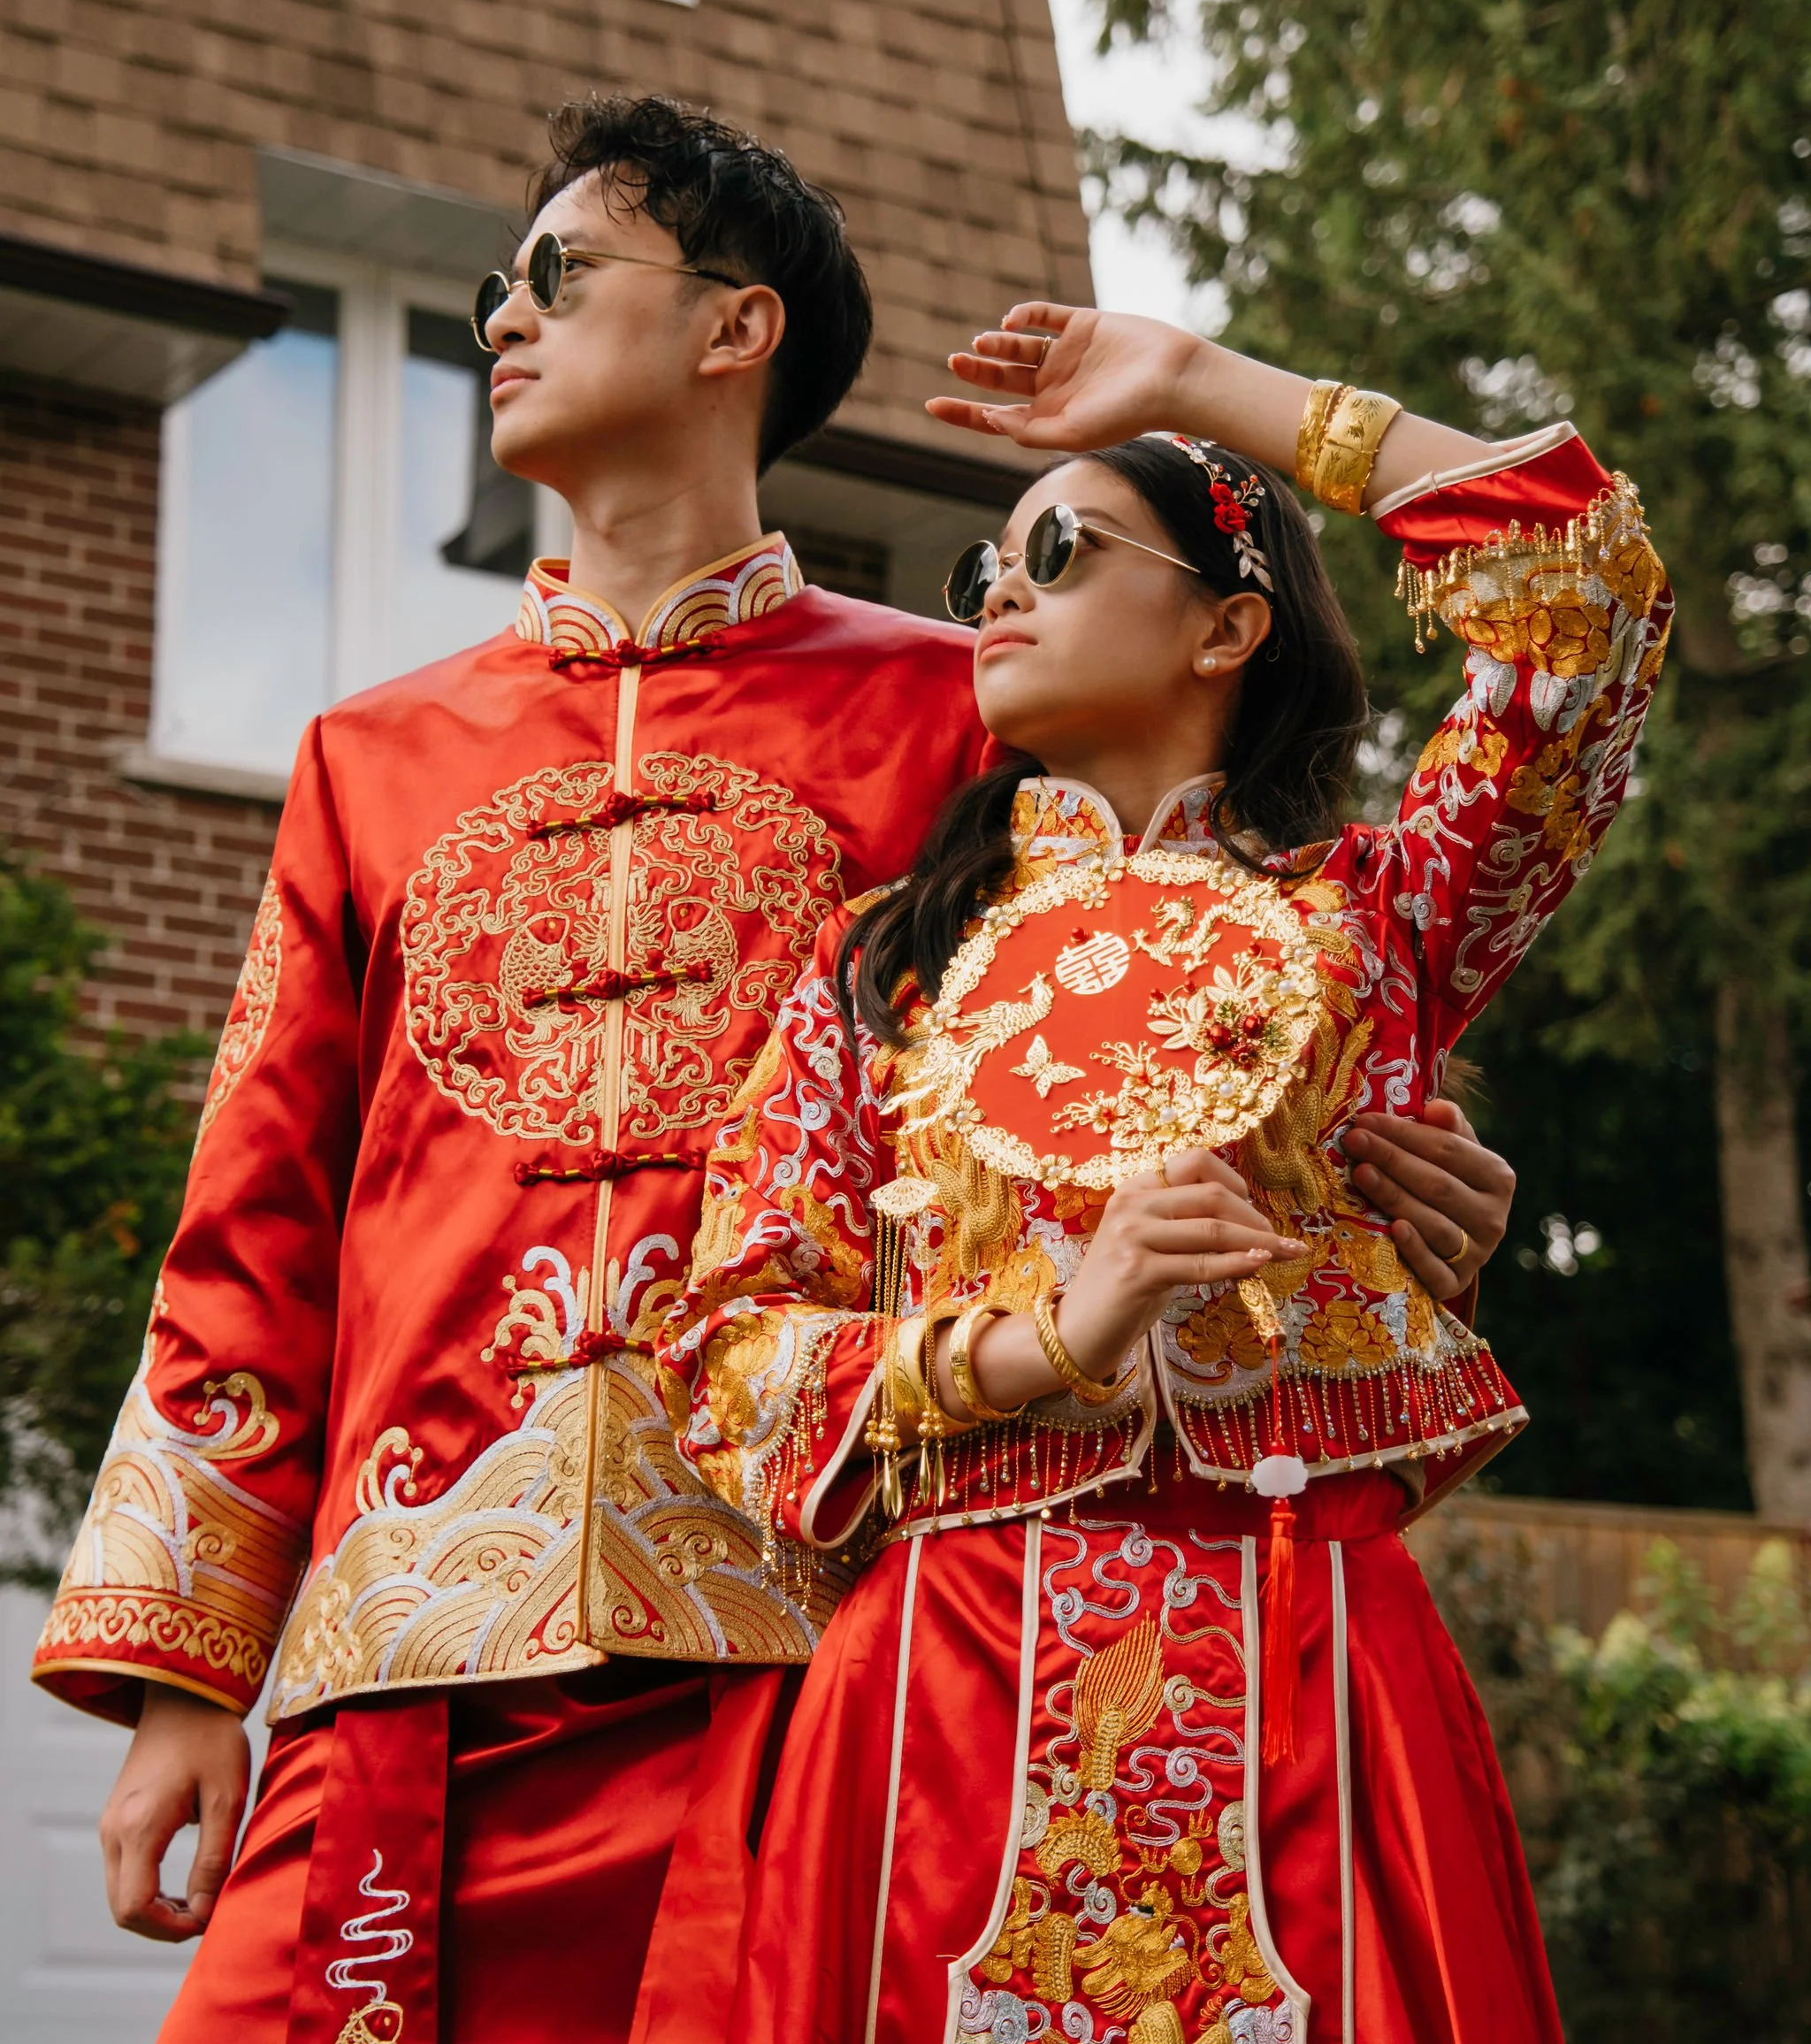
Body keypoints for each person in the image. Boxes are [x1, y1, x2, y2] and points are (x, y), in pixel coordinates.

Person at [31, 103, 1514, 2044]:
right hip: (405, 1648)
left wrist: (1382, 1177)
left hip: (813, 1641)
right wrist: (181, 1681)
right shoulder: (364, 758)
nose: (501, 315)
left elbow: (1202, 980)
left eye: (557, 272)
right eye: (495, 284)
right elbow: (253, 1218)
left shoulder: (971, 709)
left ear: (738, 330)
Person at [664, 299, 1670, 2044]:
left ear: (1227, 624)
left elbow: (1585, 576)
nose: (994, 589)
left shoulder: (1381, 916)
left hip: (1313, 1655)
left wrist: (1206, 391)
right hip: (944, 1692)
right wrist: (1053, 1332)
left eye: (1055, 549)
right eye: (983, 560)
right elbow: (731, 1356)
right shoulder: (879, 969)